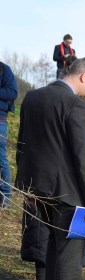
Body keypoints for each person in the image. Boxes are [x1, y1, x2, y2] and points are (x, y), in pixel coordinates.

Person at [15, 56, 85, 280]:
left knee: (54, 245)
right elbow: (82, 156)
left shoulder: (32, 97)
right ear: (84, 77)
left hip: (38, 188)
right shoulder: (75, 104)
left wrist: (25, 185)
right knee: (69, 251)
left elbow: (23, 142)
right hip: (67, 192)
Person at [0, 58, 17, 209]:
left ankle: (5, 197)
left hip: (0, 120)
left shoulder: (4, 69)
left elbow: (12, 92)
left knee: (0, 158)